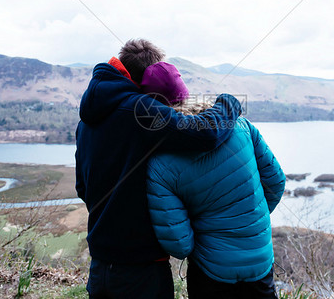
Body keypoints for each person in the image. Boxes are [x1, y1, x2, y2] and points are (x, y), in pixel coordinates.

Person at [75, 39, 242, 299]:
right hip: (140, 269)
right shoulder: (140, 110)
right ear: (151, 77)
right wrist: (228, 104)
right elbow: (207, 134)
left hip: (100, 265)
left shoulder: (87, 118)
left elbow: (82, 187)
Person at [144, 61, 286, 299]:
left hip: (211, 271)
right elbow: (276, 183)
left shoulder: (160, 164)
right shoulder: (241, 127)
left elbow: (180, 244)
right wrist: (248, 221)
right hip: (260, 261)